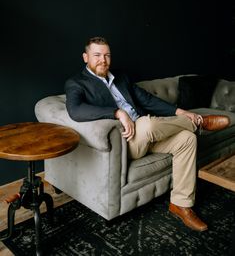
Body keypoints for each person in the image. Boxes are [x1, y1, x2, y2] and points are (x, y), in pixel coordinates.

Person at [65, 36, 229, 232]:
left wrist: (180, 112)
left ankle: (181, 204)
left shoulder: (121, 77)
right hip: (128, 141)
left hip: (150, 134)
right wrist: (117, 112)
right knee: (148, 123)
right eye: (97, 55)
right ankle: (200, 123)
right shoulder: (76, 83)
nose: (103, 60)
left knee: (187, 139)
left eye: (107, 55)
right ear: (85, 57)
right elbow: (75, 110)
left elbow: (147, 100)